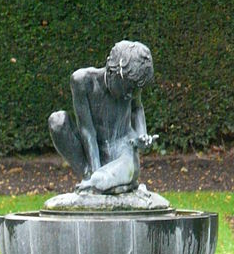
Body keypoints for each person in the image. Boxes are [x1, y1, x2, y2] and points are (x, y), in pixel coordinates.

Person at [48, 40, 156, 194]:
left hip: (123, 151)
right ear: (113, 72)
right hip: (91, 154)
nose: (130, 95)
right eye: (128, 88)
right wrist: (94, 173)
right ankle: (93, 180)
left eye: (135, 89)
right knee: (57, 121)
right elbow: (87, 130)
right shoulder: (83, 81)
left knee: (104, 179)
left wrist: (142, 135)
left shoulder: (132, 82)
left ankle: (101, 182)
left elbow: (137, 109)